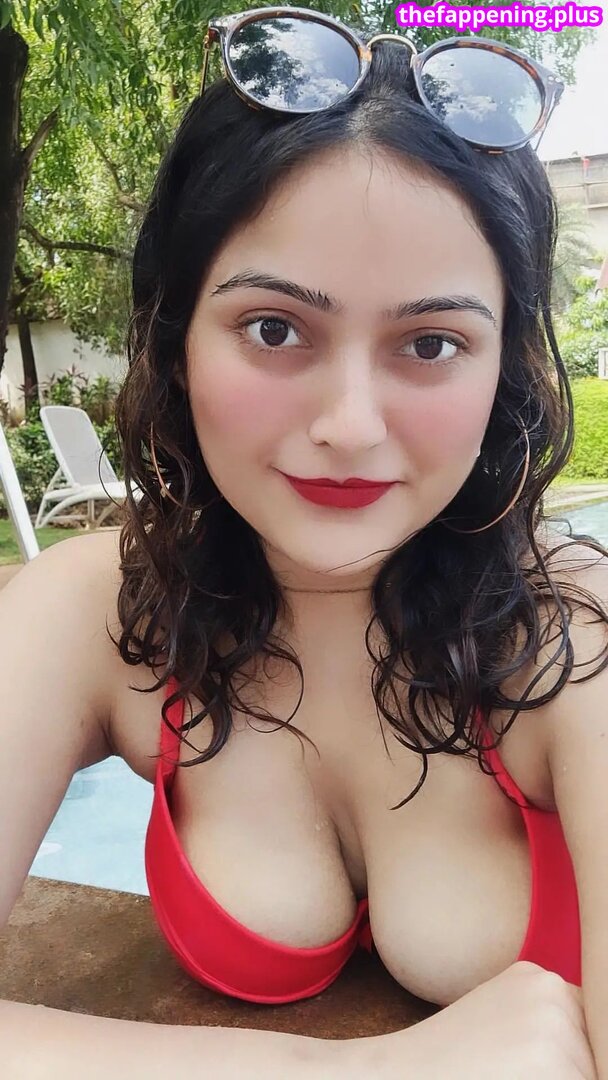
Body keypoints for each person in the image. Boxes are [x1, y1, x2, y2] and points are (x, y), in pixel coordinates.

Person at [1, 7, 607, 1078]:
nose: (349, 426)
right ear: (176, 339)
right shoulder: (90, 609)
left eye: (431, 343)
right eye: (275, 328)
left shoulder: (574, 636)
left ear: (501, 369)